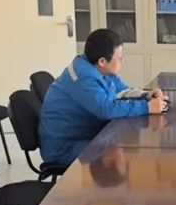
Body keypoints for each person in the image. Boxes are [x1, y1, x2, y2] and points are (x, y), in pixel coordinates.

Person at [39, 28, 167, 168]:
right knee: (116, 150)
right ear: (102, 61)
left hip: (83, 135)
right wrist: (147, 107)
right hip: (64, 148)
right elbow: (106, 110)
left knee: (119, 145)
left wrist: (146, 96)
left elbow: (122, 90)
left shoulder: (96, 67)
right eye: (119, 57)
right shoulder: (83, 77)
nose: (122, 61)